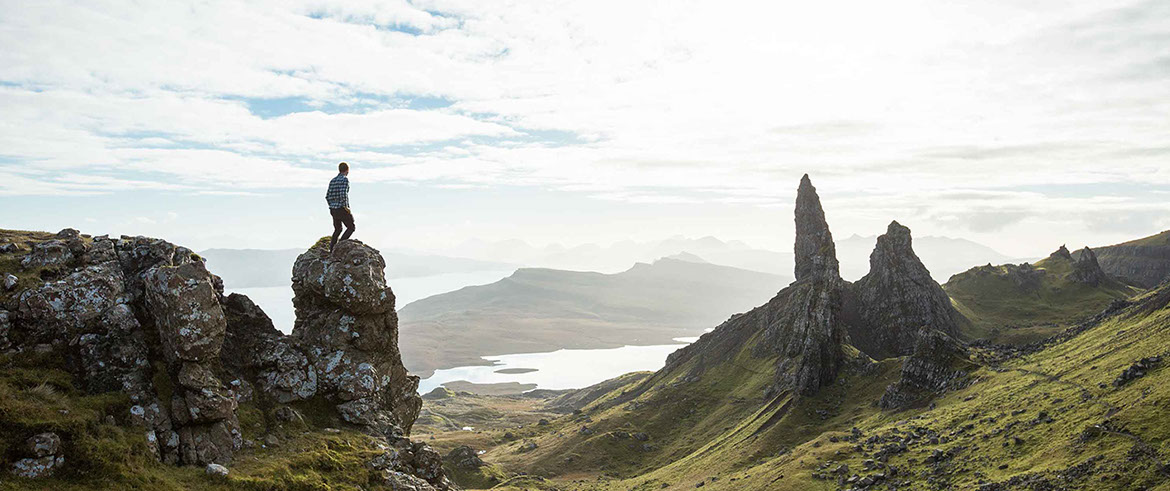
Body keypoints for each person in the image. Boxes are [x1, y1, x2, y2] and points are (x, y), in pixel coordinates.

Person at [326, 162, 355, 253]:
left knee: (338, 229)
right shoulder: (344, 180)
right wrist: (346, 207)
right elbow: (343, 195)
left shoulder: (333, 180)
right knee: (351, 227)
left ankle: (332, 249)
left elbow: (327, 196)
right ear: (347, 170)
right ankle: (340, 246)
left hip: (333, 209)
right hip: (341, 208)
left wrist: (331, 205)